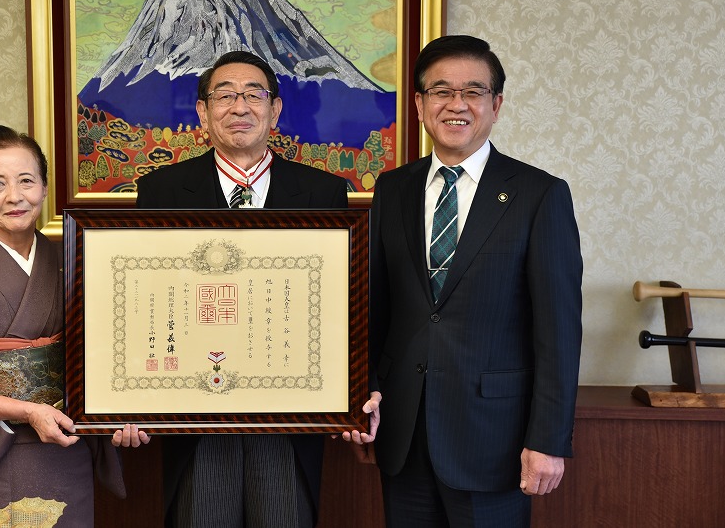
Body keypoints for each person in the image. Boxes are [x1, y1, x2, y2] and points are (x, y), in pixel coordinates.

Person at [357, 35, 582, 527]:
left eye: (473, 92)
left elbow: (559, 333)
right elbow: (374, 309)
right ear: (419, 104)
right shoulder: (391, 190)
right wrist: (364, 395)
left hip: (493, 439)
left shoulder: (539, 195)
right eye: (441, 91)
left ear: (496, 104)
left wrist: (547, 439)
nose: (456, 105)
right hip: (402, 433)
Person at [136, 50, 349, 528]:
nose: (240, 107)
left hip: (289, 414)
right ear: (202, 111)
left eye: (254, 95)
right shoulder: (161, 192)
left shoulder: (324, 193)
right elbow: (145, 303)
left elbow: (340, 307)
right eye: (225, 95)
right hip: (194, 416)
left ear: (275, 110)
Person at [0, 125, 149, 527]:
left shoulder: (75, 264)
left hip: (67, 446)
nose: (14, 196)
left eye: (26, 181)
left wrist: (122, 413)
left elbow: (114, 354)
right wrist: (28, 410)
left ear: (43, 188)